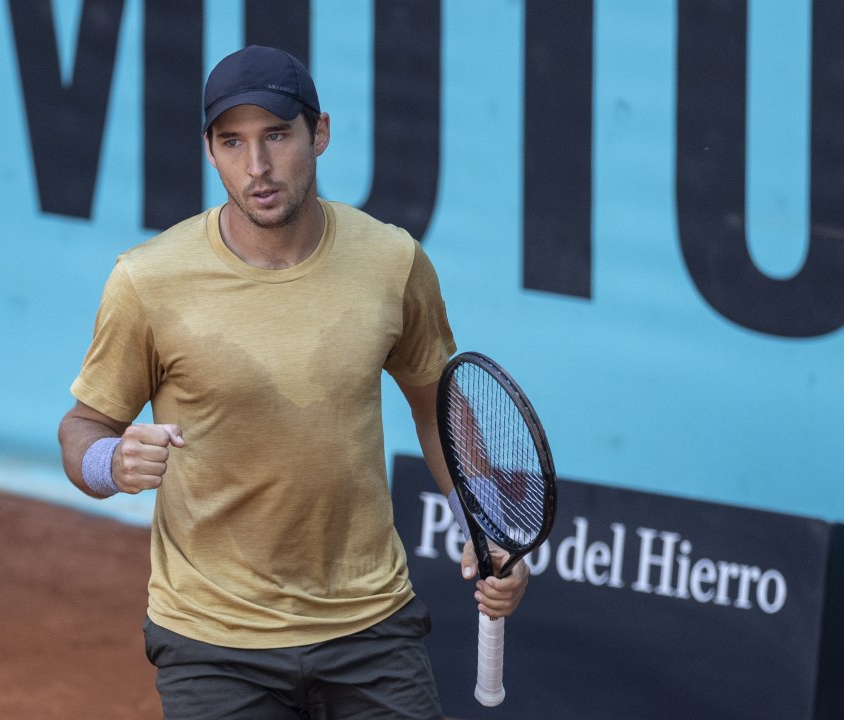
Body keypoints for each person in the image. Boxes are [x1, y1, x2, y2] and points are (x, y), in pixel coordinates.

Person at [58, 45, 529, 719]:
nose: (257, 166)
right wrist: (110, 461)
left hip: (370, 623)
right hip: (213, 640)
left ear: (320, 133)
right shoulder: (147, 280)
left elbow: (438, 412)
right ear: (210, 151)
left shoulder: (392, 261)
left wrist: (485, 528)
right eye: (232, 142)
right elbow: (82, 428)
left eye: (277, 135)